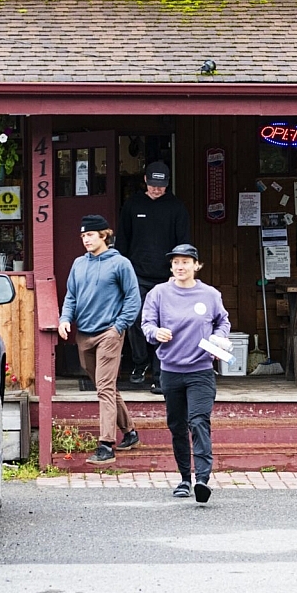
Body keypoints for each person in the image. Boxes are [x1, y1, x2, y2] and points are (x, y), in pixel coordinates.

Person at [141, 244, 228, 503]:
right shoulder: (158, 293)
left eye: (186, 262)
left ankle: (202, 479)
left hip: (201, 370)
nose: (180, 267)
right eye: (176, 262)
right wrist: (155, 333)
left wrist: (219, 338)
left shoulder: (210, 294)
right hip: (170, 371)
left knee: (199, 422)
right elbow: (146, 323)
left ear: (196, 265)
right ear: (171, 267)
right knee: (177, 426)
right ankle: (184, 479)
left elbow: (223, 321)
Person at [58, 215, 142, 465]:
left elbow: (133, 299)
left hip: (110, 333)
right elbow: (71, 296)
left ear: (104, 235)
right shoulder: (78, 264)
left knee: (104, 388)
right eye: (83, 236)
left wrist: (119, 327)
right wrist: (65, 319)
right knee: (106, 387)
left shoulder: (121, 264)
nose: (86, 239)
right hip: (84, 333)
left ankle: (106, 445)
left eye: (90, 235)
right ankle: (131, 432)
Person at [117, 160, 191, 391]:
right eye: (153, 184)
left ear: (167, 184)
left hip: (166, 276)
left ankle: (160, 373)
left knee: (165, 323)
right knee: (136, 319)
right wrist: (121, 272)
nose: (157, 189)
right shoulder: (132, 205)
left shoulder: (177, 207)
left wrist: (178, 274)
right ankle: (140, 363)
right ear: (145, 181)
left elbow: (184, 244)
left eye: (162, 185)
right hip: (136, 273)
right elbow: (122, 241)